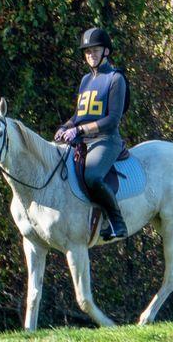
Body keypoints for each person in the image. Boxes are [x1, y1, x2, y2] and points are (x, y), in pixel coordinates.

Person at [54, 27, 129, 240]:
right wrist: (65, 127)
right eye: (87, 52)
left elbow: (112, 119)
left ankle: (117, 222)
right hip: (83, 140)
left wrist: (79, 130)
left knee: (92, 175)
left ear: (106, 51)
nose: (90, 55)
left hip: (106, 139)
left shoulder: (116, 79)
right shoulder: (86, 80)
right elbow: (78, 116)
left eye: (95, 50)